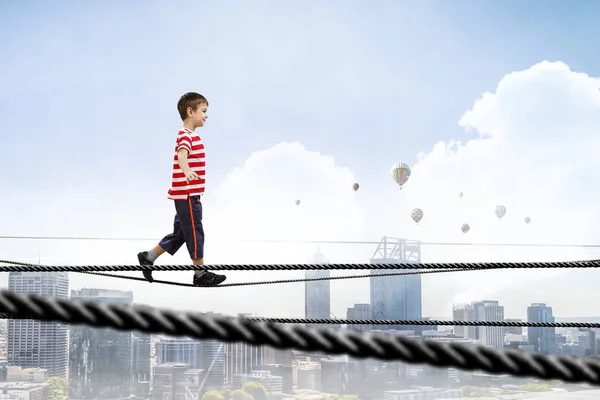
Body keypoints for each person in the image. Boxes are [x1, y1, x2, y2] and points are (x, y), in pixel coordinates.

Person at [137, 92, 227, 286]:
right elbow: (181, 156)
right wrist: (186, 171)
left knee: (182, 233)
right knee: (195, 231)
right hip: (187, 194)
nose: (206, 115)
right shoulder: (185, 136)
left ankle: (149, 257)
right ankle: (200, 273)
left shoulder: (190, 136)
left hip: (189, 194)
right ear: (190, 111)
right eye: (203, 111)